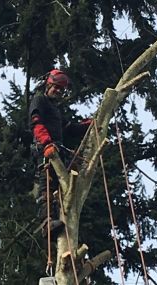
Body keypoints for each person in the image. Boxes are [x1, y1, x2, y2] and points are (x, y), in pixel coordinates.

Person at [29, 69, 91, 239]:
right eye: (56, 87)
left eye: (61, 89)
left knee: (58, 189)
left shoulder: (55, 110)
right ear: (48, 84)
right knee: (46, 186)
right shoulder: (39, 100)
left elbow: (69, 128)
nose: (58, 91)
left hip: (57, 151)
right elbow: (36, 122)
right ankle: (46, 222)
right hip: (46, 150)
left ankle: (57, 219)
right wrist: (46, 143)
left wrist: (87, 125)